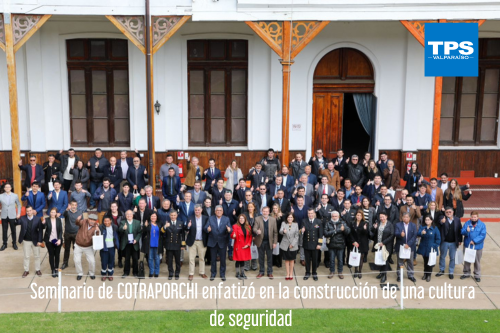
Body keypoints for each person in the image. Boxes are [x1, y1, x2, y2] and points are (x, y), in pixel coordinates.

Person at [205, 205, 232, 281]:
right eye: (217, 210)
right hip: (212, 242)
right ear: (215, 211)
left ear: (222, 212)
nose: (219, 212)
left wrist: (229, 230)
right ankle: (213, 274)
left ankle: (222, 274)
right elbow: (205, 227)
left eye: (220, 210)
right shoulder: (210, 218)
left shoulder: (226, 219)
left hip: (222, 242)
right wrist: (208, 229)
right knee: (213, 260)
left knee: (223, 260)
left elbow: (230, 228)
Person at [16, 206, 43, 278]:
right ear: (26, 212)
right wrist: (17, 217)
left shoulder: (37, 219)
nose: (29, 212)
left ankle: (38, 270)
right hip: (26, 240)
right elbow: (16, 223)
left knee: (37, 256)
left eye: (30, 210)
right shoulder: (22, 218)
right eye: (27, 211)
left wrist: (40, 241)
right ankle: (26, 270)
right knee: (26, 256)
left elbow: (40, 231)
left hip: (35, 240)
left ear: (33, 211)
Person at [436, 207, 462, 280]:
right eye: (447, 212)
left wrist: (460, 240)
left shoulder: (457, 219)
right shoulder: (442, 218)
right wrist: (442, 222)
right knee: (442, 256)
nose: (448, 213)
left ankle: (451, 272)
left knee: (452, 258)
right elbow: (438, 225)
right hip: (444, 242)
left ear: (453, 212)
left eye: (450, 212)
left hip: (453, 242)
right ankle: (441, 269)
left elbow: (459, 229)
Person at [253, 206, 278, 279]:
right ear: (261, 211)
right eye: (264, 211)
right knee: (261, 258)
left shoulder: (273, 220)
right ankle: (261, 272)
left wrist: (275, 242)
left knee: (270, 258)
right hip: (260, 241)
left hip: (269, 242)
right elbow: (254, 228)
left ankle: (270, 272)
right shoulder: (257, 219)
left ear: (269, 212)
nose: (265, 213)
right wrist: (257, 231)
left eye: (267, 211)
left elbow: (275, 232)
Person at [461, 211, 486, 282]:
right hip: (468, 245)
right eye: (472, 217)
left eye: (475, 217)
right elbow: (462, 232)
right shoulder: (467, 223)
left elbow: (482, 235)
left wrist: (474, 241)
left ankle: (477, 275)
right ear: (470, 217)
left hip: (477, 246)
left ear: (478, 217)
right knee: (467, 260)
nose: (473, 218)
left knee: (477, 261)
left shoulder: (482, 225)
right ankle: (466, 273)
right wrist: (466, 231)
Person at [185, 204, 209, 280]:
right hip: (193, 241)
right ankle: (191, 273)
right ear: (194, 211)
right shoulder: (190, 218)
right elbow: (186, 229)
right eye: (196, 210)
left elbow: (207, 229)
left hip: (202, 241)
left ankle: (202, 272)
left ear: (201, 210)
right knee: (191, 258)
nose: (197, 211)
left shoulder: (206, 218)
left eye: (198, 210)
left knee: (202, 258)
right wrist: (188, 226)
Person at [324, 211, 350, 279]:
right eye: (333, 216)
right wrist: (336, 231)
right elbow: (325, 233)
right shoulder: (328, 223)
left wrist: (344, 229)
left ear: (338, 216)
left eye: (336, 216)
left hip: (340, 244)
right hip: (331, 244)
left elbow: (348, 231)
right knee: (331, 259)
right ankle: (332, 271)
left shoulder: (342, 223)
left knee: (340, 259)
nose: (334, 217)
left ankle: (340, 272)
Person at [74, 213, 100, 280]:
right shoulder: (83, 222)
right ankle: (80, 273)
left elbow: (98, 238)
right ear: (88, 219)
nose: (92, 221)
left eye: (94, 220)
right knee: (77, 260)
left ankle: (92, 273)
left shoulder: (96, 226)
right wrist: (78, 219)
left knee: (92, 261)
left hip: (88, 247)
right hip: (78, 245)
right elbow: (77, 223)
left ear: (96, 221)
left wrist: (97, 231)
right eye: (90, 219)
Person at [371, 212, 394, 283]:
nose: (382, 218)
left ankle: (384, 275)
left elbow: (392, 235)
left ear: (386, 216)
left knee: (385, 260)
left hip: (386, 245)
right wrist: (374, 228)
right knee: (380, 259)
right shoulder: (378, 223)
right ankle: (381, 273)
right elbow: (373, 232)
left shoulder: (390, 224)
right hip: (378, 245)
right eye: (380, 217)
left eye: (383, 217)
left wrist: (383, 242)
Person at [417, 215, 441, 282]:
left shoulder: (435, 228)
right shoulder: (422, 227)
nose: (427, 221)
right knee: (425, 261)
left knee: (430, 262)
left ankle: (429, 275)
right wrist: (422, 233)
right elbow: (418, 234)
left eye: (428, 220)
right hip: (424, 248)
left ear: (431, 220)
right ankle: (425, 274)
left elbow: (438, 239)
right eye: (426, 220)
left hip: (431, 249)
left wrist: (434, 245)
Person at [395, 212, 417, 282]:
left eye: (407, 217)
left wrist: (409, 244)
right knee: (400, 262)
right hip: (401, 246)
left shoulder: (413, 225)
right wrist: (400, 235)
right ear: (402, 218)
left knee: (410, 261)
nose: (405, 218)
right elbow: (395, 233)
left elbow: (414, 236)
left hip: (410, 247)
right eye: (404, 217)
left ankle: (410, 275)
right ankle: (399, 275)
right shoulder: (398, 225)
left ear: (409, 218)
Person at [302, 208, 323, 280]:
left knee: (315, 260)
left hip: (315, 244)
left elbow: (320, 234)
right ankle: (307, 272)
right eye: (309, 213)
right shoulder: (304, 221)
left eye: (311, 213)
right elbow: (300, 232)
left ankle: (314, 273)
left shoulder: (318, 221)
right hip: (307, 243)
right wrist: (301, 231)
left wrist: (319, 244)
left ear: (314, 214)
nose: (310, 215)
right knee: (307, 260)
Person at [162, 211, 185, 280]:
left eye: (174, 215)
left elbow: (183, 235)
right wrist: (165, 227)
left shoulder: (180, 223)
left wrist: (183, 245)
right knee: (169, 261)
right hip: (169, 245)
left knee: (178, 261)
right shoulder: (167, 223)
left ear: (176, 216)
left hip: (177, 245)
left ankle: (177, 273)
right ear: (169, 216)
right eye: (171, 215)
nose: (173, 217)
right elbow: (162, 232)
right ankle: (171, 273)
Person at [41, 208, 63, 278]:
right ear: (49, 213)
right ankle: (52, 269)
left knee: (57, 255)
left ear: (56, 213)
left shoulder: (59, 220)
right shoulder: (47, 219)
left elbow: (60, 230)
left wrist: (59, 239)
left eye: (54, 212)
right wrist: (43, 223)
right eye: (51, 212)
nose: (52, 214)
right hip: (49, 240)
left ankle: (56, 268)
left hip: (57, 240)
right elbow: (43, 227)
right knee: (51, 255)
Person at [119, 210, 142, 278]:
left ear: (133, 215)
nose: (129, 216)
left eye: (130, 214)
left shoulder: (137, 222)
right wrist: (123, 228)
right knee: (127, 259)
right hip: (126, 243)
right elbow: (119, 230)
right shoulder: (123, 222)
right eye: (127, 215)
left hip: (134, 243)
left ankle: (135, 272)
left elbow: (140, 232)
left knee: (135, 258)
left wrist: (136, 239)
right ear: (125, 216)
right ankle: (126, 272)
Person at [0, 183, 21, 251]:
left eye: (9, 187)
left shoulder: (15, 195)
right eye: (6, 187)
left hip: (12, 215)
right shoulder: (1, 196)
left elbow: (19, 204)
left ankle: (14, 243)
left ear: (11, 188)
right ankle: (4, 244)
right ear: (4, 188)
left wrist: (18, 213)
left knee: (13, 230)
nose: (7, 188)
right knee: (4, 230)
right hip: (4, 215)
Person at [142, 212, 163, 279]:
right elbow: (143, 232)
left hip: (157, 244)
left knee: (157, 259)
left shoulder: (159, 224)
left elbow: (162, 232)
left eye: (154, 216)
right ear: (150, 217)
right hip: (149, 244)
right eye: (152, 216)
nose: (153, 217)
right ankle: (151, 272)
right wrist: (145, 226)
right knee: (150, 258)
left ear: (157, 217)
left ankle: (156, 272)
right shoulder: (147, 224)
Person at [315, 194, 334, 268]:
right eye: (322, 198)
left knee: (327, 245)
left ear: (328, 199)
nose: (324, 199)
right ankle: (318, 260)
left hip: (328, 229)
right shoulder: (317, 207)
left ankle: (327, 260)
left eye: (325, 198)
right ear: (321, 199)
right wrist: (317, 209)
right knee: (319, 244)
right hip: (319, 228)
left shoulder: (331, 207)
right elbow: (312, 215)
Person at [231, 214, 253, 280]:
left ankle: (242, 273)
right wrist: (233, 236)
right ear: (238, 219)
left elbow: (250, 237)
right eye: (240, 218)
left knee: (243, 260)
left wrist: (248, 244)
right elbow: (232, 235)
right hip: (238, 246)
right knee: (238, 260)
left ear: (245, 219)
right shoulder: (235, 226)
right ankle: (237, 273)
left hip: (245, 246)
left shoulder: (248, 226)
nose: (241, 219)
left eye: (242, 218)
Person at [99, 215, 120, 281]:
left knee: (111, 260)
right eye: (105, 221)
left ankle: (110, 274)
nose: (106, 222)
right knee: (104, 261)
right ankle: (104, 274)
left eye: (108, 221)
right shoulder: (100, 227)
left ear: (111, 221)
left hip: (112, 247)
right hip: (103, 247)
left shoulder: (115, 227)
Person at [60, 200, 80, 270]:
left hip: (76, 234)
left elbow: (82, 223)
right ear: (70, 205)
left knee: (76, 250)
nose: (74, 206)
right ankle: (65, 263)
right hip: (67, 234)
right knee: (67, 249)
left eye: (75, 205)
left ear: (76, 206)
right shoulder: (67, 212)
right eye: (72, 205)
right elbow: (63, 214)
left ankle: (77, 263)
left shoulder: (80, 213)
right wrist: (67, 209)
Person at [104, 202, 124, 268]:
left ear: (117, 207)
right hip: (111, 233)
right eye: (112, 207)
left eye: (115, 206)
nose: (113, 208)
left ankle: (120, 260)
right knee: (112, 248)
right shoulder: (107, 214)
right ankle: (112, 262)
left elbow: (124, 223)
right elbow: (104, 223)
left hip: (120, 233)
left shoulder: (122, 214)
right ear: (110, 207)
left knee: (119, 248)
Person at [350, 210, 369, 278]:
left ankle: (360, 271)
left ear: (362, 216)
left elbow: (367, 234)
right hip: (355, 243)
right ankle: (355, 270)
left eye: (360, 215)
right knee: (355, 257)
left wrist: (364, 229)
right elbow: (351, 233)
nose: (358, 217)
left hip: (362, 243)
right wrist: (353, 241)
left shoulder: (365, 223)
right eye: (357, 215)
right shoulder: (352, 223)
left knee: (361, 258)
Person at [280, 213, 299, 280]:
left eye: (291, 217)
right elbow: (280, 231)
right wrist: (283, 231)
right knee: (286, 260)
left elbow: (297, 236)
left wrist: (292, 244)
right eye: (288, 217)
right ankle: (287, 273)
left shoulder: (296, 224)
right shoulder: (283, 223)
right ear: (287, 218)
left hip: (293, 245)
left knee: (292, 260)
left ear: (293, 218)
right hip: (285, 244)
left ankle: (291, 273)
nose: (290, 218)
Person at [243, 202, 260, 271]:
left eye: (251, 207)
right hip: (247, 235)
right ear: (247, 207)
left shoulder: (257, 215)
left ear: (254, 207)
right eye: (249, 207)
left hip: (255, 236)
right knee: (247, 250)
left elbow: (259, 226)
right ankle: (246, 265)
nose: (250, 208)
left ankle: (254, 264)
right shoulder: (244, 214)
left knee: (254, 250)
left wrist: (255, 235)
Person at [270, 203, 284, 268]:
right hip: (272, 234)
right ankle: (273, 261)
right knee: (273, 248)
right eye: (274, 208)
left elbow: (284, 224)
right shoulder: (271, 216)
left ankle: (279, 262)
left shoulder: (281, 216)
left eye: (276, 208)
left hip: (279, 235)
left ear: (278, 209)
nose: (275, 209)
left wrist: (281, 216)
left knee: (279, 249)